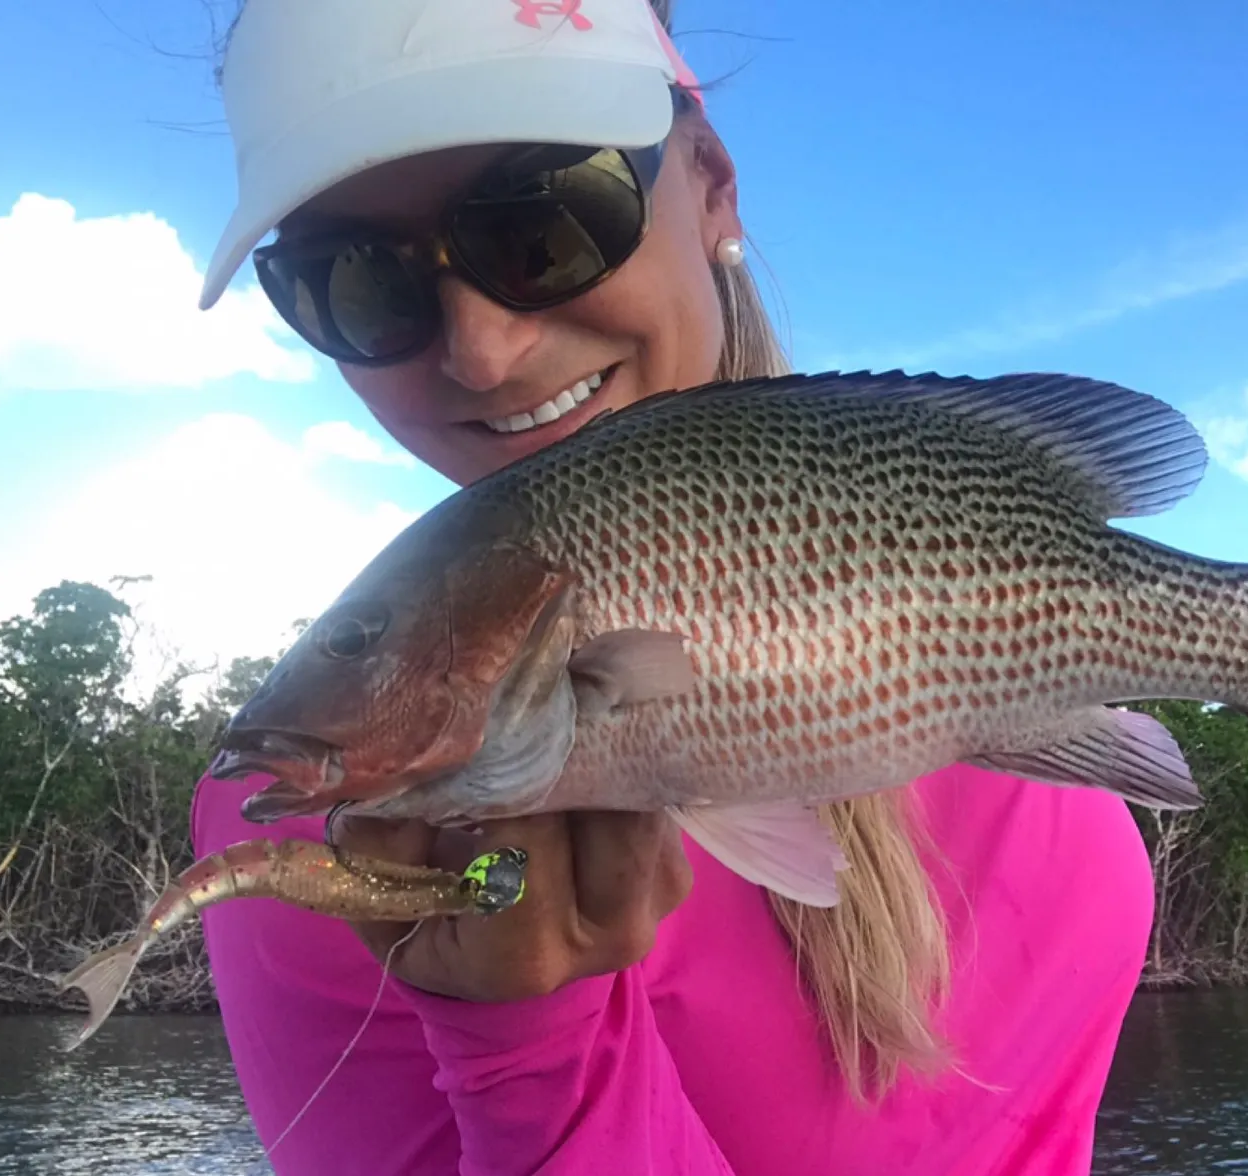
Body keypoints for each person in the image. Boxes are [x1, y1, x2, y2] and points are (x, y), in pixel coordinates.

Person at [189, 1, 1156, 1172]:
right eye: (351, 281)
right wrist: (522, 1040)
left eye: (545, 220)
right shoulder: (322, 849)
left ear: (709, 185)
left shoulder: (1055, 798)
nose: (483, 349)